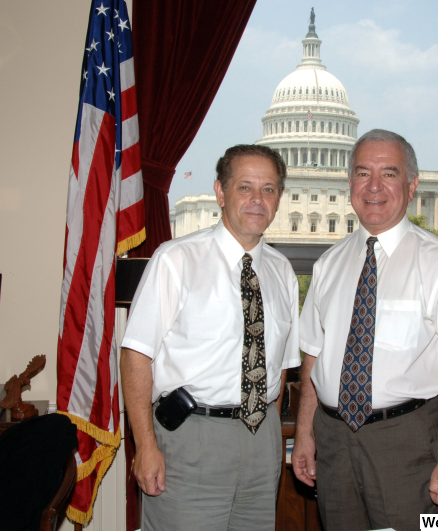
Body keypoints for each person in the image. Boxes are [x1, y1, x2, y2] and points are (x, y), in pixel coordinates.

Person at [292, 129, 438, 531]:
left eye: (390, 173)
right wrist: (305, 434)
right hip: (332, 440)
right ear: (350, 184)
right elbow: (313, 356)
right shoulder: (329, 264)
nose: (374, 186)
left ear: (412, 185)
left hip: (407, 442)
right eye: (363, 173)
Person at [120, 144, 300, 531]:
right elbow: (136, 354)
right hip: (191, 439)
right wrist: (145, 445)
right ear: (220, 192)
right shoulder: (176, 260)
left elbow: (280, 365)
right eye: (245, 187)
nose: (257, 199)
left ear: (279, 198)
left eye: (268, 189)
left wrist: (270, 429)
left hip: (261, 439)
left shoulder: (283, 272)